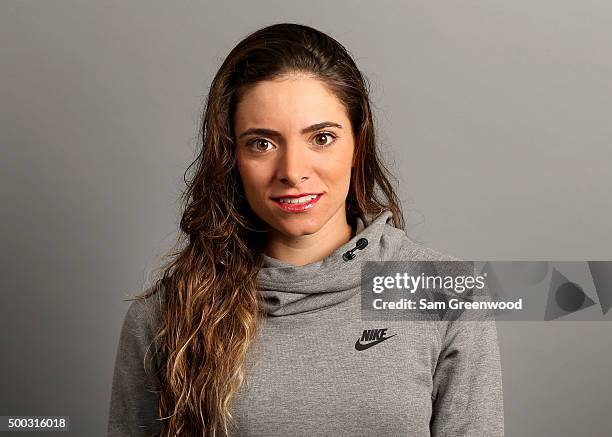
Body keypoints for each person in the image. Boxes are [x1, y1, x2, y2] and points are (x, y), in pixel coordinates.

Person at [107, 23, 504, 437]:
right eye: (262, 143)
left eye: (322, 138)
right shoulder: (166, 315)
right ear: (231, 157)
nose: (293, 172)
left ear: (357, 145)